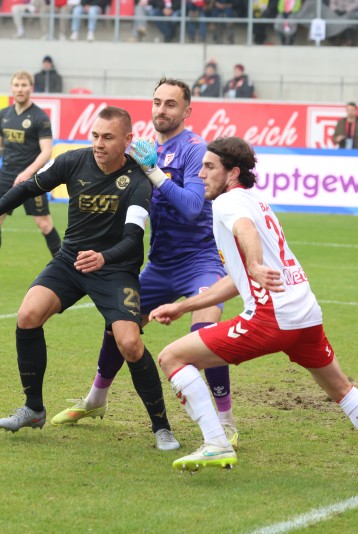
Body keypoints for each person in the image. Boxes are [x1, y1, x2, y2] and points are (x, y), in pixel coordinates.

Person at [149, 136, 358, 486]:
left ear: (233, 172)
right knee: (342, 388)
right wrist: (184, 306)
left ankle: (216, 442)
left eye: (209, 167)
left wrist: (256, 265)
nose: (200, 174)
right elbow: (236, 278)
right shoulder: (257, 201)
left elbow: (244, 234)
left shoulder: (229, 203)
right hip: (305, 314)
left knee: (171, 358)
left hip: (270, 318)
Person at [52, 79, 238, 452]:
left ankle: (225, 419)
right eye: (156, 102)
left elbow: (189, 209)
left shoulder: (194, 149)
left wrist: (154, 173)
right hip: (160, 263)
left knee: (206, 330)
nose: (161, 110)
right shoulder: (143, 149)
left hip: (199, 261)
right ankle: (95, 400)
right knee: (120, 325)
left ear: (186, 111)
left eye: (170, 104)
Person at [0, 106, 167, 438]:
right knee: (28, 314)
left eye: (108, 137)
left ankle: (162, 426)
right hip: (70, 262)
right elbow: (29, 187)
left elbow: (134, 239)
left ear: (128, 140)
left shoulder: (137, 179)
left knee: (130, 344)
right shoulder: (73, 160)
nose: (99, 144)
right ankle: (33, 409)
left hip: (115, 269)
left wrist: (104, 258)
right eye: (95, 136)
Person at [0, 71, 62, 284]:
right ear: (12, 88)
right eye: (16, 84)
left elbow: (46, 151)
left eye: (24, 85)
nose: (20, 88)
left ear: (31, 88)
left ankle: (66, 270)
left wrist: (28, 173)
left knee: (44, 224)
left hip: (31, 179)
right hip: (5, 175)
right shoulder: (4, 114)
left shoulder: (39, 117)